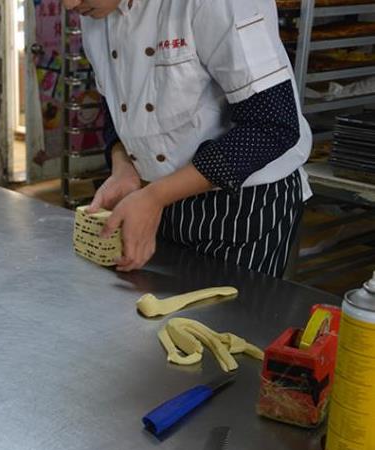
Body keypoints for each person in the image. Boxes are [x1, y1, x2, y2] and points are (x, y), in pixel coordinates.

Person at [64, 0, 312, 277]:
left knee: (226, 317)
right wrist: (125, 169)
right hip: (156, 196)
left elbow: (273, 125)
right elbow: (115, 102)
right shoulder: (94, 10)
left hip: (242, 205)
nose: (69, 4)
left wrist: (155, 197)